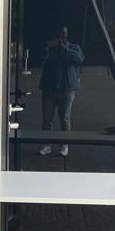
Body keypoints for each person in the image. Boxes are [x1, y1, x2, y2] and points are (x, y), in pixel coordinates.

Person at [39, 26, 84, 156]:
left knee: (64, 119)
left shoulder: (74, 48)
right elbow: (40, 60)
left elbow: (79, 60)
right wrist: (47, 50)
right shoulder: (50, 49)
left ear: (67, 35)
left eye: (64, 34)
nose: (61, 37)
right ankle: (46, 144)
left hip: (67, 88)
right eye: (59, 35)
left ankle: (64, 145)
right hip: (49, 88)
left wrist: (65, 49)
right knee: (47, 118)